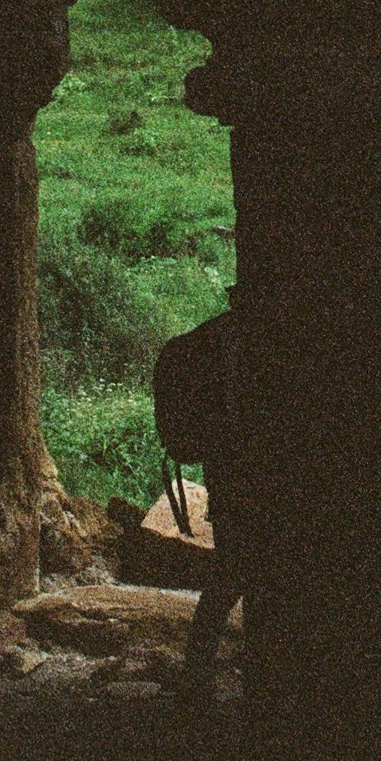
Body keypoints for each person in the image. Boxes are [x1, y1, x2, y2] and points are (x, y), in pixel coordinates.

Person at [151, 287, 248, 698]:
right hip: (250, 473)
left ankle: (198, 673)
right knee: (241, 573)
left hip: (226, 474)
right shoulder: (244, 346)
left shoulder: (213, 338)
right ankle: (202, 674)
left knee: (231, 572)